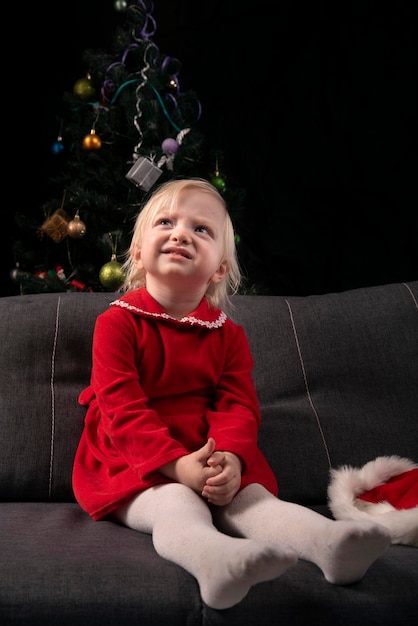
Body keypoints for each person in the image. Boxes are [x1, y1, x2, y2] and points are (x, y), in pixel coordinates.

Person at [72, 178, 391, 610]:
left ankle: (330, 544)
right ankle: (214, 562)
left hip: (210, 451)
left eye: (201, 229)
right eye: (166, 222)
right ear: (138, 252)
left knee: (253, 500)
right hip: (134, 459)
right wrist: (177, 467)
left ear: (219, 268)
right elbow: (122, 410)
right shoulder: (118, 324)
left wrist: (232, 459)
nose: (181, 233)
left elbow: (238, 406)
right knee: (177, 503)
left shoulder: (228, 336)